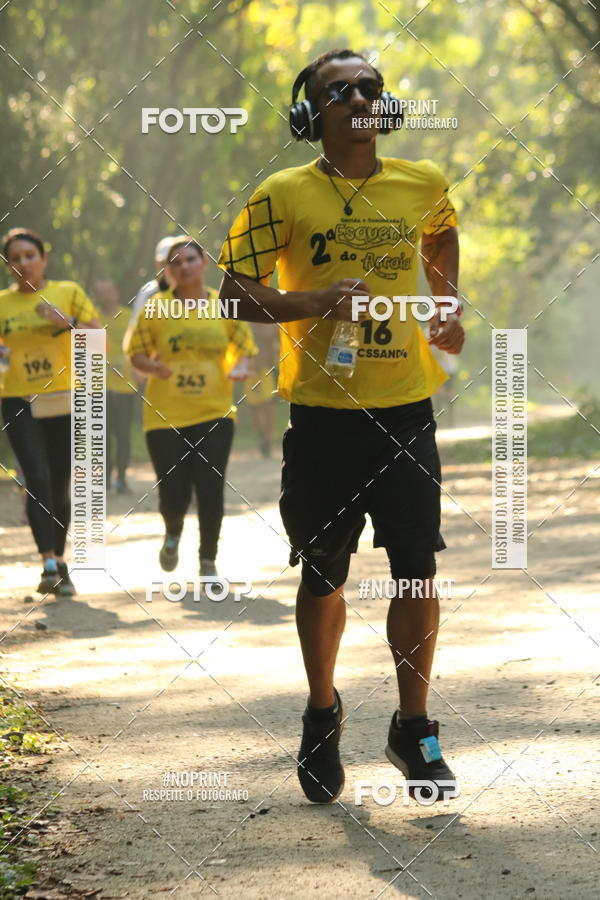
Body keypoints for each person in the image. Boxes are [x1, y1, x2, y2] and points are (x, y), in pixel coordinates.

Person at [218, 49, 465, 804]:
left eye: (371, 87)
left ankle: (414, 727)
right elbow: (233, 294)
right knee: (324, 568)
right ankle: (322, 712)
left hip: (405, 409)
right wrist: (313, 302)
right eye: (341, 89)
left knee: (417, 565)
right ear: (311, 113)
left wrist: (447, 302)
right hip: (322, 417)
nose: (360, 96)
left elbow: (442, 236)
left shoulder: (422, 183)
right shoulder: (282, 195)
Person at [126, 237, 257, 578]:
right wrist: (154, 367)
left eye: (190, 260)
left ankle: (207, 560)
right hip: (164, 414)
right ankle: (172, 531)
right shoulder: (155, 307)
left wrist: (240, 366)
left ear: (205, 263)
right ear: (167, 270)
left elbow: (243, 347)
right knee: (174, 492)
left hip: (215, 410)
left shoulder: (224, 306)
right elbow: (135, 353)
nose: (183, 267)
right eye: (175, 263)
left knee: (210, 487)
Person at [0, 228, 101, 596]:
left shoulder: (68, 292)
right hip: (18, 398)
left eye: (30, 255)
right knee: (36, 478)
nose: (23, 263)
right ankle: (47, 562)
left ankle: (60, 559)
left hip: (63, 396)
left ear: (44, 259)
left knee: (60, 484)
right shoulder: (2, 304)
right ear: (9, 265)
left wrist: (67, 323)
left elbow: (96, 339)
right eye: (15, 258)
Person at [94, 279, 140, 493]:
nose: (105, 296)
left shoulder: (129, 316)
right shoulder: (91, 318)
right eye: (100, 292)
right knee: (102, 435)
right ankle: (104, 478)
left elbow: (138, 348)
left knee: (123, 435)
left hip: (125, 387)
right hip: (99, 387)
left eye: (108, 291)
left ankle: (121, 477)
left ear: (116, 292)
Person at [245, 323, 278, 457]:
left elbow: (272, 334)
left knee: (268, 405)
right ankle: (261, 434)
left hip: (265, 370)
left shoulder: (268, 322)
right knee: (254, 406)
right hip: (250, 370)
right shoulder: (245, 323)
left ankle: (268, 438)